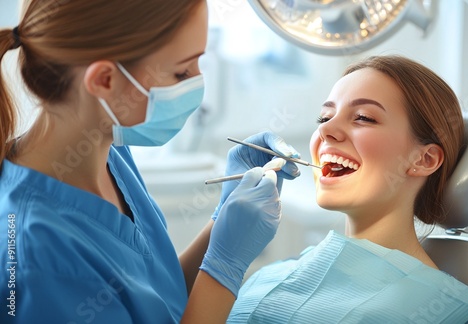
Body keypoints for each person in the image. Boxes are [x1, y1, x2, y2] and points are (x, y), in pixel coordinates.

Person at [0, 1, 301, 323]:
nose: (197, 84)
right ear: (104, 80)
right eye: (181, 71)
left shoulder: (111, 154)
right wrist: (226, 265)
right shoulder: (38, 255)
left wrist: (223, 222)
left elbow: (161, 300)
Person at [227, 55, 468, 323]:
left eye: (364, 118)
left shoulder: (449, 314)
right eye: (324, 117)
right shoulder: (271, 275)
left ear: (424, 160)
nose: (326, 130)